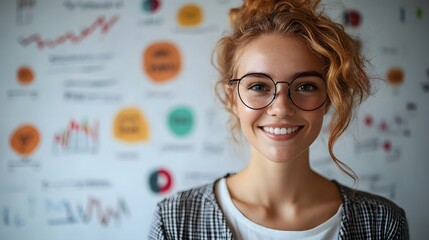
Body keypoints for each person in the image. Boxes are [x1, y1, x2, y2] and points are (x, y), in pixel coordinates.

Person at [149, 0, 409, 239]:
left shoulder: (382, 223)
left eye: (306, 86)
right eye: (259, 87)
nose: (281, 108)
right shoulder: (174, 221)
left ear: (329, 98)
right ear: (233, 100)